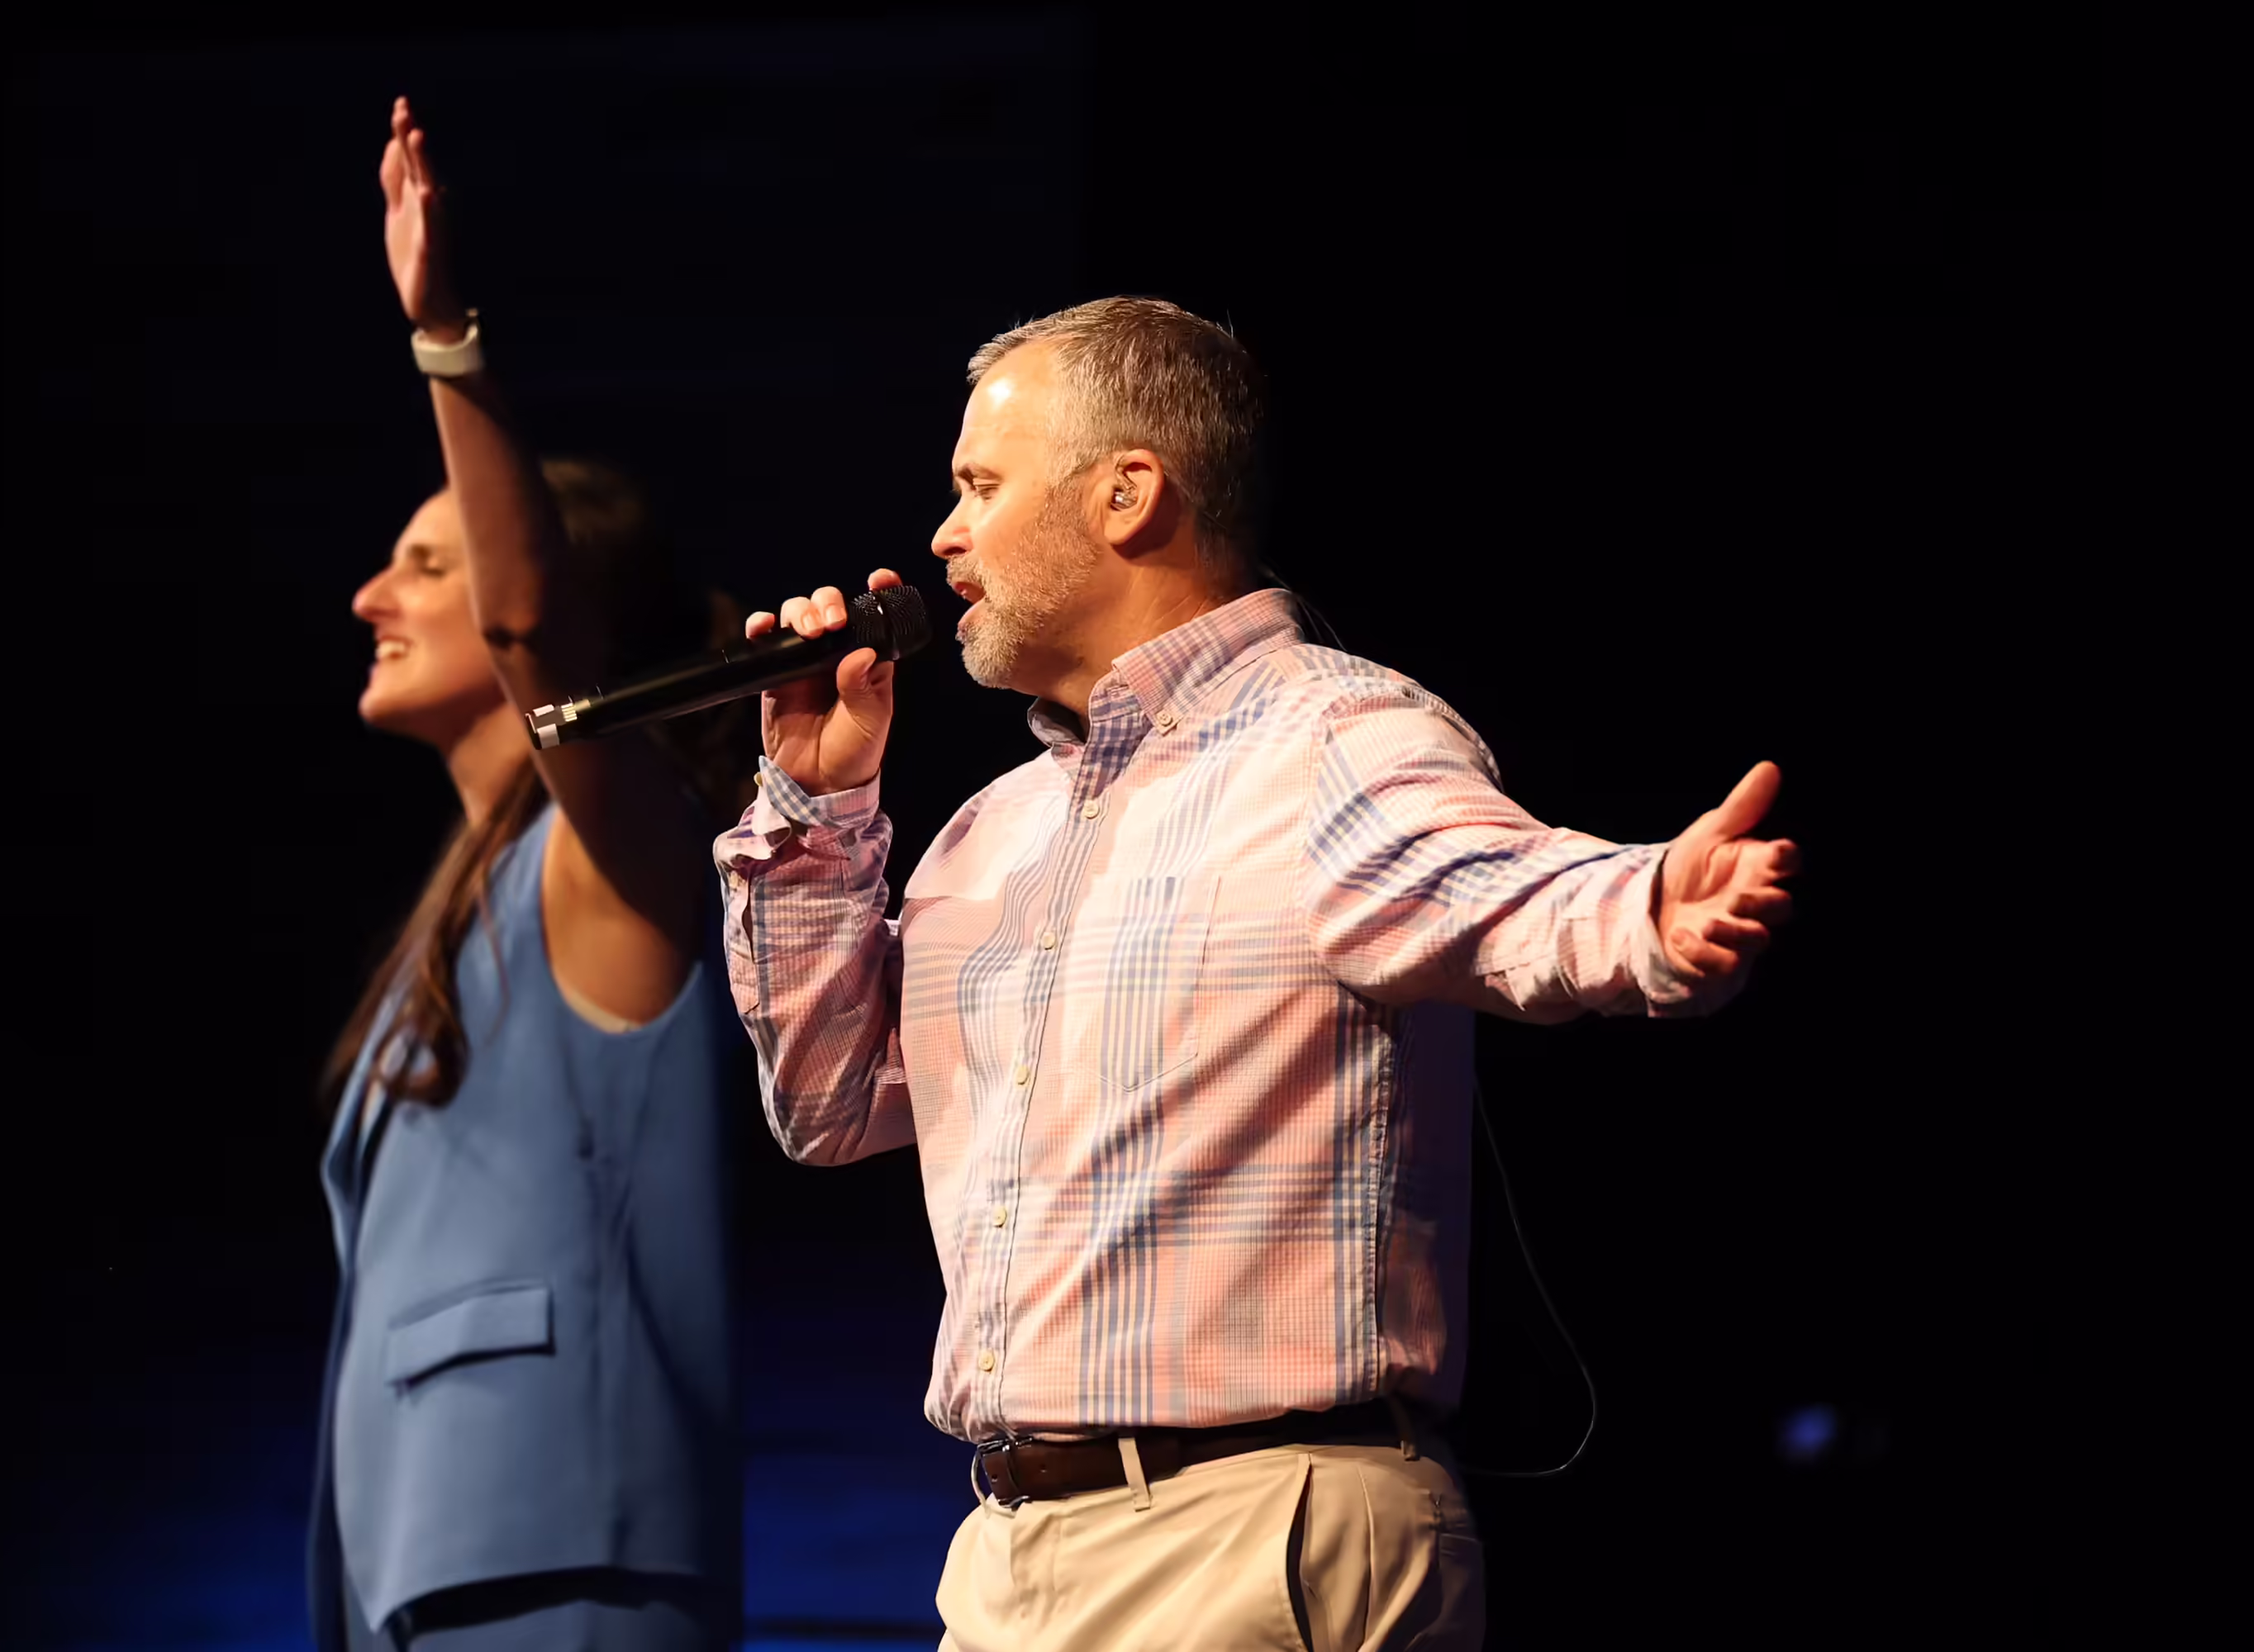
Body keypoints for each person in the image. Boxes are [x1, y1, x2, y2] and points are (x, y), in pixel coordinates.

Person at [714, 297, 1800, 1650]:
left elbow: (1512, 892)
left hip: (1250, 1537)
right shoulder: (995, 831)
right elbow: (824, 1108)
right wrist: (817, 818)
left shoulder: (1332, 737)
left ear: (1128, 494)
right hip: (1009, 1553)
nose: (942, 536)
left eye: (978, 486)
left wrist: (1649, 905)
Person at [308, 99, 748, 1652]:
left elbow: (534, 642)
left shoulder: (610, 863)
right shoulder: (479, 887)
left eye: (428, 563)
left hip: (571, 1566)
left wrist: (444, 344)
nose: (371, 595)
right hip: (426, 1573)